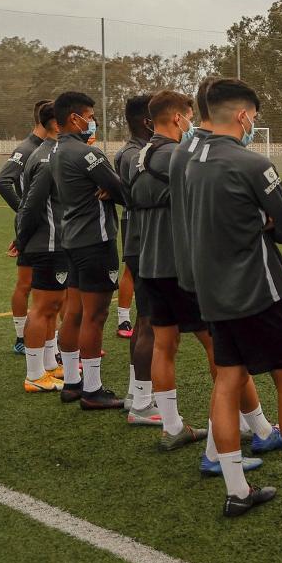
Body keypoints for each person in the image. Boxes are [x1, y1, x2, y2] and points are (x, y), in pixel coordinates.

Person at [187, 78, 282, 517]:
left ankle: (237, 490)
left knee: (227, 381)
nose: (254, 124)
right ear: (243, 115)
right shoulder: (252, 163)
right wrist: (261, 222)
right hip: (258, 290)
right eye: (254, 117)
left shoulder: (188, 159)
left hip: (213, 290)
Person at [171, 77, 276, 479]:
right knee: (229, 367)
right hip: (210, 277)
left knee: (231, 365)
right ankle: (219, 454)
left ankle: (257, 429)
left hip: (199, 273)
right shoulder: (196, 152)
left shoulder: (190, 150)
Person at [131, 90, 216, 450]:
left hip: (148, 262)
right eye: (188, 115)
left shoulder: (136, 155)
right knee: (220, 347)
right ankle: (246, 426)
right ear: (178, 117)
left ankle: (172, 425)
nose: (190, 122)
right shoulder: (174, 155)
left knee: (165, 346)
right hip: (178, 265)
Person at [51, 91, 126, 410]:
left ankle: (71, 382)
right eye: (90, 115)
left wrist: (110, 189)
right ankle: (93, 390)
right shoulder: (86, 153)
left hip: (71, 238)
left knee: (75, 313)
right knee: (95, 315)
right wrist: (113, 191)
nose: (92, 121)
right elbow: (122, 189)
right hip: (95, 240)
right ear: (74, 118)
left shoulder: (55, 150)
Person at [13, 100, 67, 392]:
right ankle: (34, 374)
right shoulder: (47, 159)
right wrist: (22, 240)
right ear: (57, 124)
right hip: (47, 242)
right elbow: (31, 207)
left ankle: (47, 365)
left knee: (52, 305)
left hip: (52, 241)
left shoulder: (49, 153)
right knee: (43, 308)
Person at [114, 94, 157, 423]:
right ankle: (143, 402)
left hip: (137, 240)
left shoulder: (128, 152)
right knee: (149, 323)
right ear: (148, 121)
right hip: (145, 242)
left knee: (146, 321)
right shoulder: (137, 155)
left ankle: (135, 393)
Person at [0, 99, 50, 355]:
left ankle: (52, 341)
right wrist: (24, 211)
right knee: (25, 283)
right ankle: (20, 337)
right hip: (33, 228)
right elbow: (3, 181)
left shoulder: (50, 148)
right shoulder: (28, 148)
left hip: (47, 228)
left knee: (51, 288)